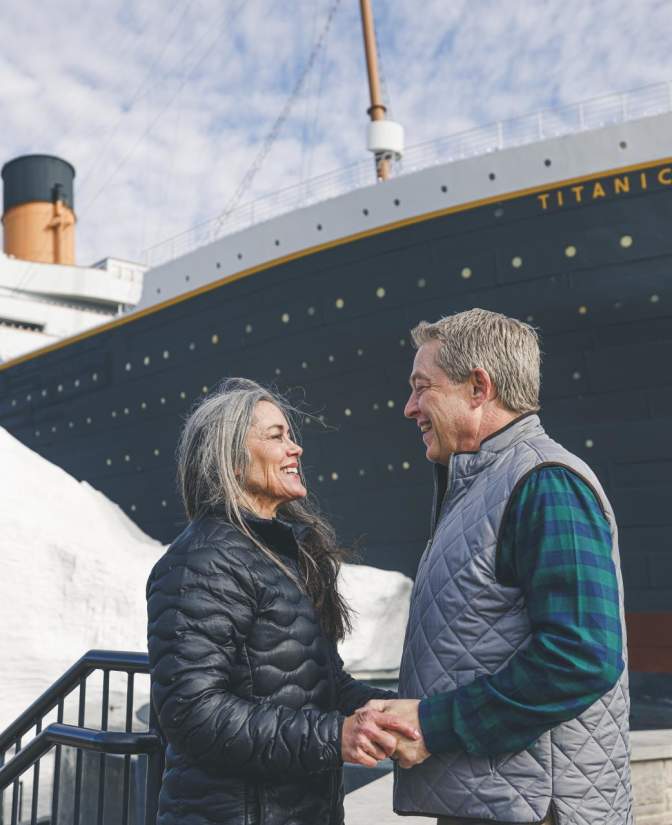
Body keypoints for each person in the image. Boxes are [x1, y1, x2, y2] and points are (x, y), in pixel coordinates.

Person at [368, 309, 633, 825]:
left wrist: (433, 724)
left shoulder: (545, 483)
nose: (409, 408)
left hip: (536, 810)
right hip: (502, 802)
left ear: (478, 387)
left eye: (422, 388)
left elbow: (583, 657)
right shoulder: (481, 486)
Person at [146, 378, 419, 825]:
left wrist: (402, 711)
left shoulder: (281, 554)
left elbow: (322, 686)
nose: (296, 449)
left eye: (291, 435)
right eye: (276, 436)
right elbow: (193, 715)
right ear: (231, 461)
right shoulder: (202, 561)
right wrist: (337, 735)